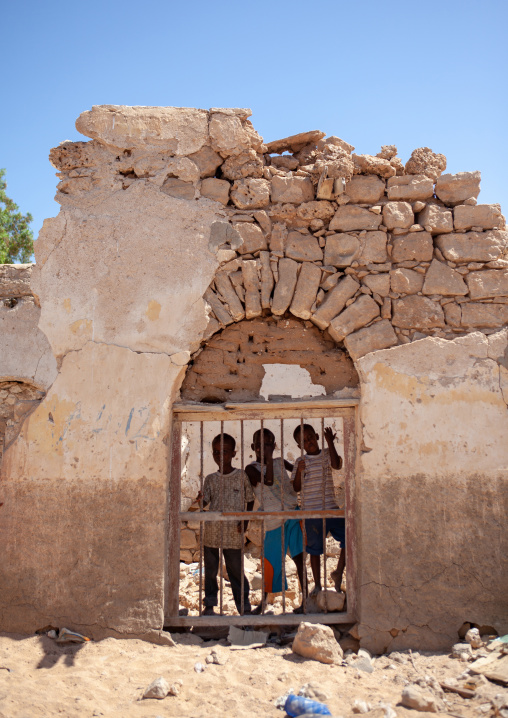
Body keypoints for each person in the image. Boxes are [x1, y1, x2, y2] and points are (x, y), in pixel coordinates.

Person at [245, 428, 307, 613]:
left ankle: (306, 601)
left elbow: (296, 475)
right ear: (253, 447)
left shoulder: (280, 462)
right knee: (270, 561)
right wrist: (270, 458)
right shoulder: (251, 469)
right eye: (259, 445)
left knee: (300, 558)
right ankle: (264, 602)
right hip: (272, 521)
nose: (263, 448)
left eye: (268, 444)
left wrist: (300, 468)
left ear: (274, 446)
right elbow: (269, 481)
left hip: (292, 514)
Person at [193, 433, 254, 616]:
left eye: (225, 452)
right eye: (216, 452)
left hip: (233, 532)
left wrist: (245, 521)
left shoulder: (241, 476)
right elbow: (204, 504)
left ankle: (244, 606)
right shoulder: (210, 479)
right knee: (211, 571)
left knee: (236, 570)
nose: (220, 456)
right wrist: (200, 500)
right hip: (212, 531)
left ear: (234, 453)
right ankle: (210, 604)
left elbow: (250, 499)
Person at [292, 423, 345, 596]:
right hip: (312, 513)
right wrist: (300, 472)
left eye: (310, 437)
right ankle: (317, 585)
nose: (309, 442)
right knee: (315, 550)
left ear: (316, 436)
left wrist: (330, 442)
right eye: (304, 441)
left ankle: (338, 572)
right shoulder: (300, 461)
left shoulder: (327, 454)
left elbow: (337, 465)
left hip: (331, 509)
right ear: (300, 446)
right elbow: (296, 488)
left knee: (349, 536)